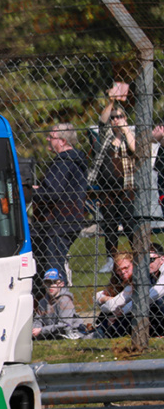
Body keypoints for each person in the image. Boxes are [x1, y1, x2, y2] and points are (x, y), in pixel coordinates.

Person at [89, 82, 137, 273]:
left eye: (120, 116)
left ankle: (137, 256)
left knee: (130, 223)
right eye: (114, 117)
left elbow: (136, 150)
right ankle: (111, 258)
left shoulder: (130, 135)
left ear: (125, 118)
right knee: (109, 225)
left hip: (126, 189)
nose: (116, 119)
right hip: (107, 189)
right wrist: (111, 102)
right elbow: (102, 120)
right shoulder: (107, 136)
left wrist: (125, 129)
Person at [32, 123, 88, 285]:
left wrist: (30, 192)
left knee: (53, 267)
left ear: (62, 141)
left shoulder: (63, 162)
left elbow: (52, 192)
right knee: (52, 263)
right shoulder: (74, 161)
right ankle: (53, 303)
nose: (48, 139)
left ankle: (61, 304)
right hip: (69, 218)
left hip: (59, 222)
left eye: (51, 137)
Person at [89, 252, 135, 338]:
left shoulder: (134, 282)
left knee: (109, 311)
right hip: (119, 313)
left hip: (129, 316)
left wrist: (105, 301)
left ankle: (98, 333)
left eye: (126, 268)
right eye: (119, 270)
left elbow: (111, 306)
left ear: (133, 265)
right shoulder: (119, 281)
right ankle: (97, 331)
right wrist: (107, 299)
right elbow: (96, 296)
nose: (123, 272)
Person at [32, 268, 84, 340]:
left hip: (71, 332)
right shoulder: (42, 302)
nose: (50, 286)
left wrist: (41, 330)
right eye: (47, 282)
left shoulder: (65, 300)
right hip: (52, 332)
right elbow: (38, 320)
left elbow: (65, 325)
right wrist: (35, 329)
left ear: (61, 284)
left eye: (54, 282)